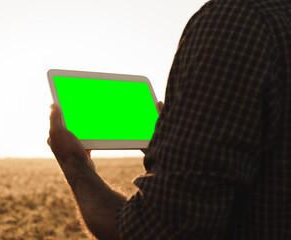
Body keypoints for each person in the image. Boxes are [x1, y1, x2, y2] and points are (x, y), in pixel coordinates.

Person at [47, 0, 291, 239]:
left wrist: (76, 165)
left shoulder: (237, 21)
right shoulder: (276, 17)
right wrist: (176, 148)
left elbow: (159, 230)